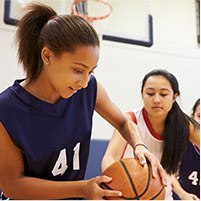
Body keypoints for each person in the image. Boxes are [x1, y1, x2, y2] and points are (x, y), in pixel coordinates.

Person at [0, 3, 166, 200]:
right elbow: (13, 185)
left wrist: (140, 145)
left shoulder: (89, 89)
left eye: (91, 71)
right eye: (78, 70)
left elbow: (124, 123)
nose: (85, 81)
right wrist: (82, 188)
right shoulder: (8, 108)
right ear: (47, 56)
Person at [101, 69, 200, 200]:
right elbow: (110, 158)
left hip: (161, 193)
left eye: (164, 94)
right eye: (150, 93)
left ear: (174, 96)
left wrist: (183, 194)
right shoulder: (130, 120)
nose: (157, 100)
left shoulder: (184, 125)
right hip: (126, 191)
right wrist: (116, 185)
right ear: (142, 94)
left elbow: (168, 172)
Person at [172, 98, 200, 200]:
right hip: (182, 196)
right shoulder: (183, 142)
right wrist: (183, 195)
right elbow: (169, 173)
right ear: (192, 117)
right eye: (199, 116)